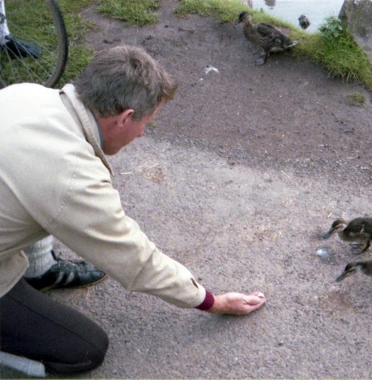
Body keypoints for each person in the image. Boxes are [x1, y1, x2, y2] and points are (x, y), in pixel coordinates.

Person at [0, 45, 266, 374]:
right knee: (84, 349)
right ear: (125, 117)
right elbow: (135, 260)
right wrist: (211, 301)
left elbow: (34, 189)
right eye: (146, 123)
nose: (142, 133)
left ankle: (39, 271)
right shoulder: (73, 178)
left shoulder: (26, 94)